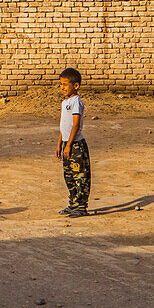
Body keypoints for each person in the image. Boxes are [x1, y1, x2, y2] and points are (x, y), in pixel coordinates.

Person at [55, 67, 91, 217]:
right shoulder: (65, 102)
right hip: (66, 144)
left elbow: (75, 125)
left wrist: (69, 144)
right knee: (68, 176)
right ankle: (73, 203)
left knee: (80, 176)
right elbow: (64, 126)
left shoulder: (76, 102)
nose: (62, 87)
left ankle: (81, 207)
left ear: (75, 86)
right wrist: (60, 144)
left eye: (65, 84)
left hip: (76, 146)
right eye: (61, 84)